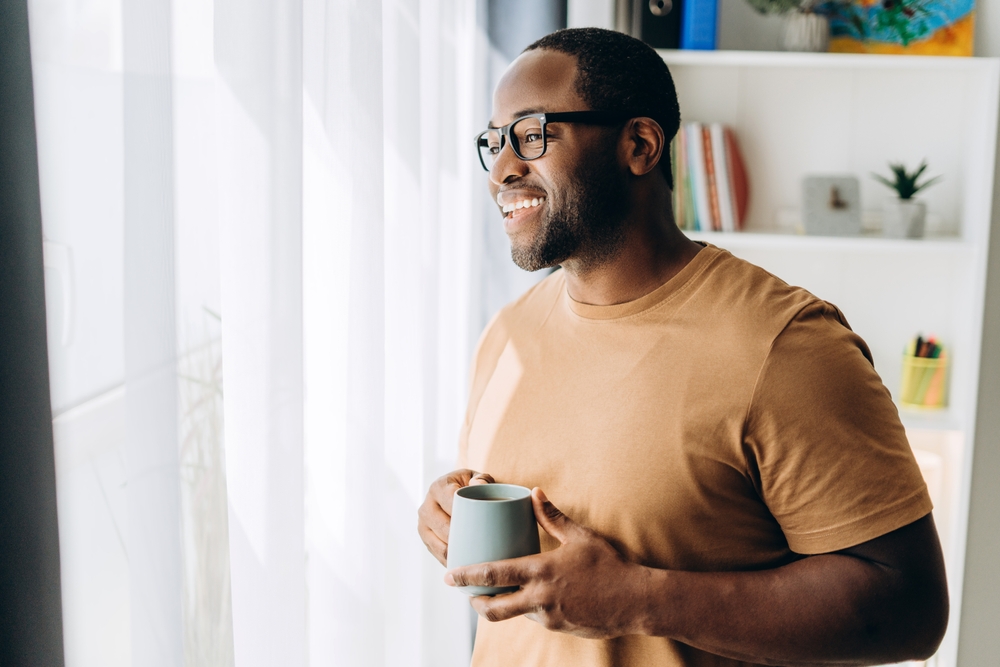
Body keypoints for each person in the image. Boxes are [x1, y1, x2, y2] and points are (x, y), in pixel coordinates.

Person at [417, 27, 948, 667]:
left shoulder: (786, 347)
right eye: (495, 142)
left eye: (533, 135)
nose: (503, 169)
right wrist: (448, 508)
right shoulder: (507, 335)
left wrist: (643, 600)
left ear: (639, 145)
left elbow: (911, 612)